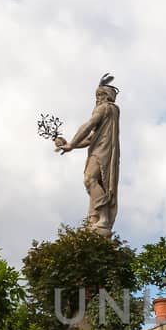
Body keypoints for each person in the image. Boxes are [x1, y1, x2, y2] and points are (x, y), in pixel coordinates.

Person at [55, 76, 120, 235]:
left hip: (101, 151)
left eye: (99, 96)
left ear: (105, 96)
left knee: (90, 179)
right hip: (101, 149)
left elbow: (88, 126)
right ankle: (93, 219)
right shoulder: (111, 111)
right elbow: (90, 138)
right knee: (96, 181)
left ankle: (103, 218)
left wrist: (71, 144)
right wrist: (71, 144)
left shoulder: (104, 108)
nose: (97, 100)